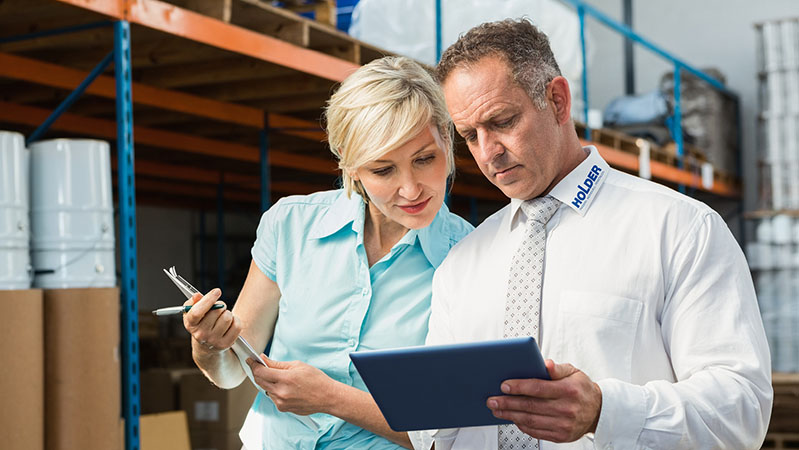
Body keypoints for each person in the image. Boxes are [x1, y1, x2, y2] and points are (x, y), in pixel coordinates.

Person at [409, 19, 773, 450]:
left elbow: (742, 408)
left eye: (503, 121)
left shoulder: (679, 230)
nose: (488, 153)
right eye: (470, 135)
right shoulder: (462, 263)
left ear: (558, 101)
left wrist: (605, 411)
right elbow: (434, 429)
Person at [181, 56, 473, 449]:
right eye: (383, 170)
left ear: (447, 139)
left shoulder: (471, 257)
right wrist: (209, 345)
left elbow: (450, 431)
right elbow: (233, 370)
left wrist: (331, 398)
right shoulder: (290, 226)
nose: (411, 189)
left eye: (425, 159)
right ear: (351, 168)